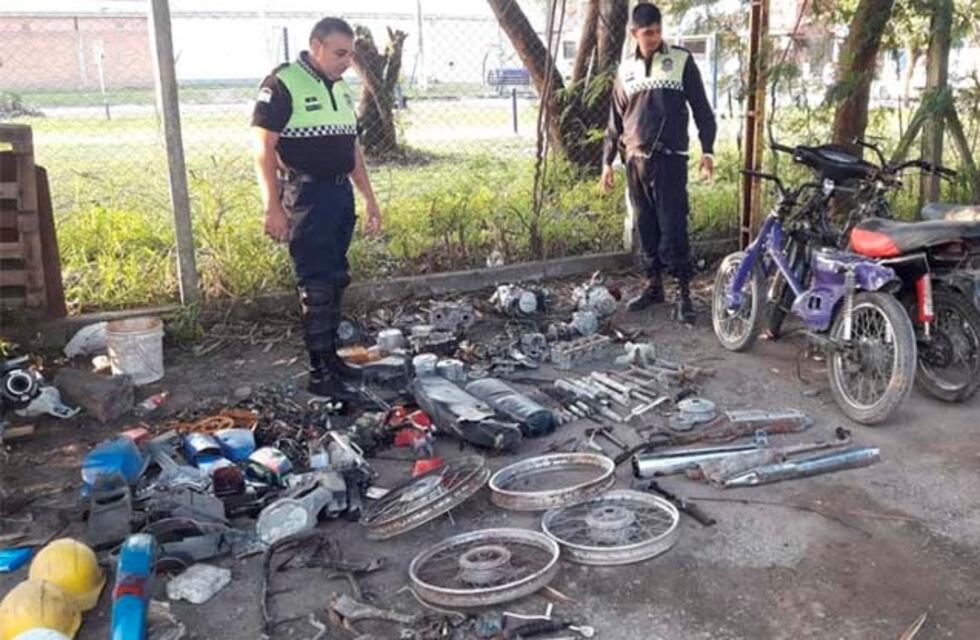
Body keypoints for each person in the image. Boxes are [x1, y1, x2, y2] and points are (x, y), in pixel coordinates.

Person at [251, 16, 382, 397]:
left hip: (339, 195)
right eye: (340, 53)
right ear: (317, 45)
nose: (347, 61)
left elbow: (352, 149)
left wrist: (369, 199)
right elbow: (262, 148)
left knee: (336, 277)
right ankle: (319, 374)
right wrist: (272, 206)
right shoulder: (283, 82)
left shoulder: (340, 90)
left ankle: (332, 361)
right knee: (316, 284)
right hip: (306, 197)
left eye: (351, 54)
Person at [601, 3, 717, 322]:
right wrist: (607, 162)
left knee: (674, 227)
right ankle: (654, 287)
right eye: (647, 32)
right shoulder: (625, 70)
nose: (654, 37)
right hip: (635, 162)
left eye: (657, 31)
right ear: (634, 33)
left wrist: (708, 150)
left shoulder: (680, 60)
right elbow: (615, 121)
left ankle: (683, 294)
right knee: (646, 227)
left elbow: (702, 109)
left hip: (670, 160)